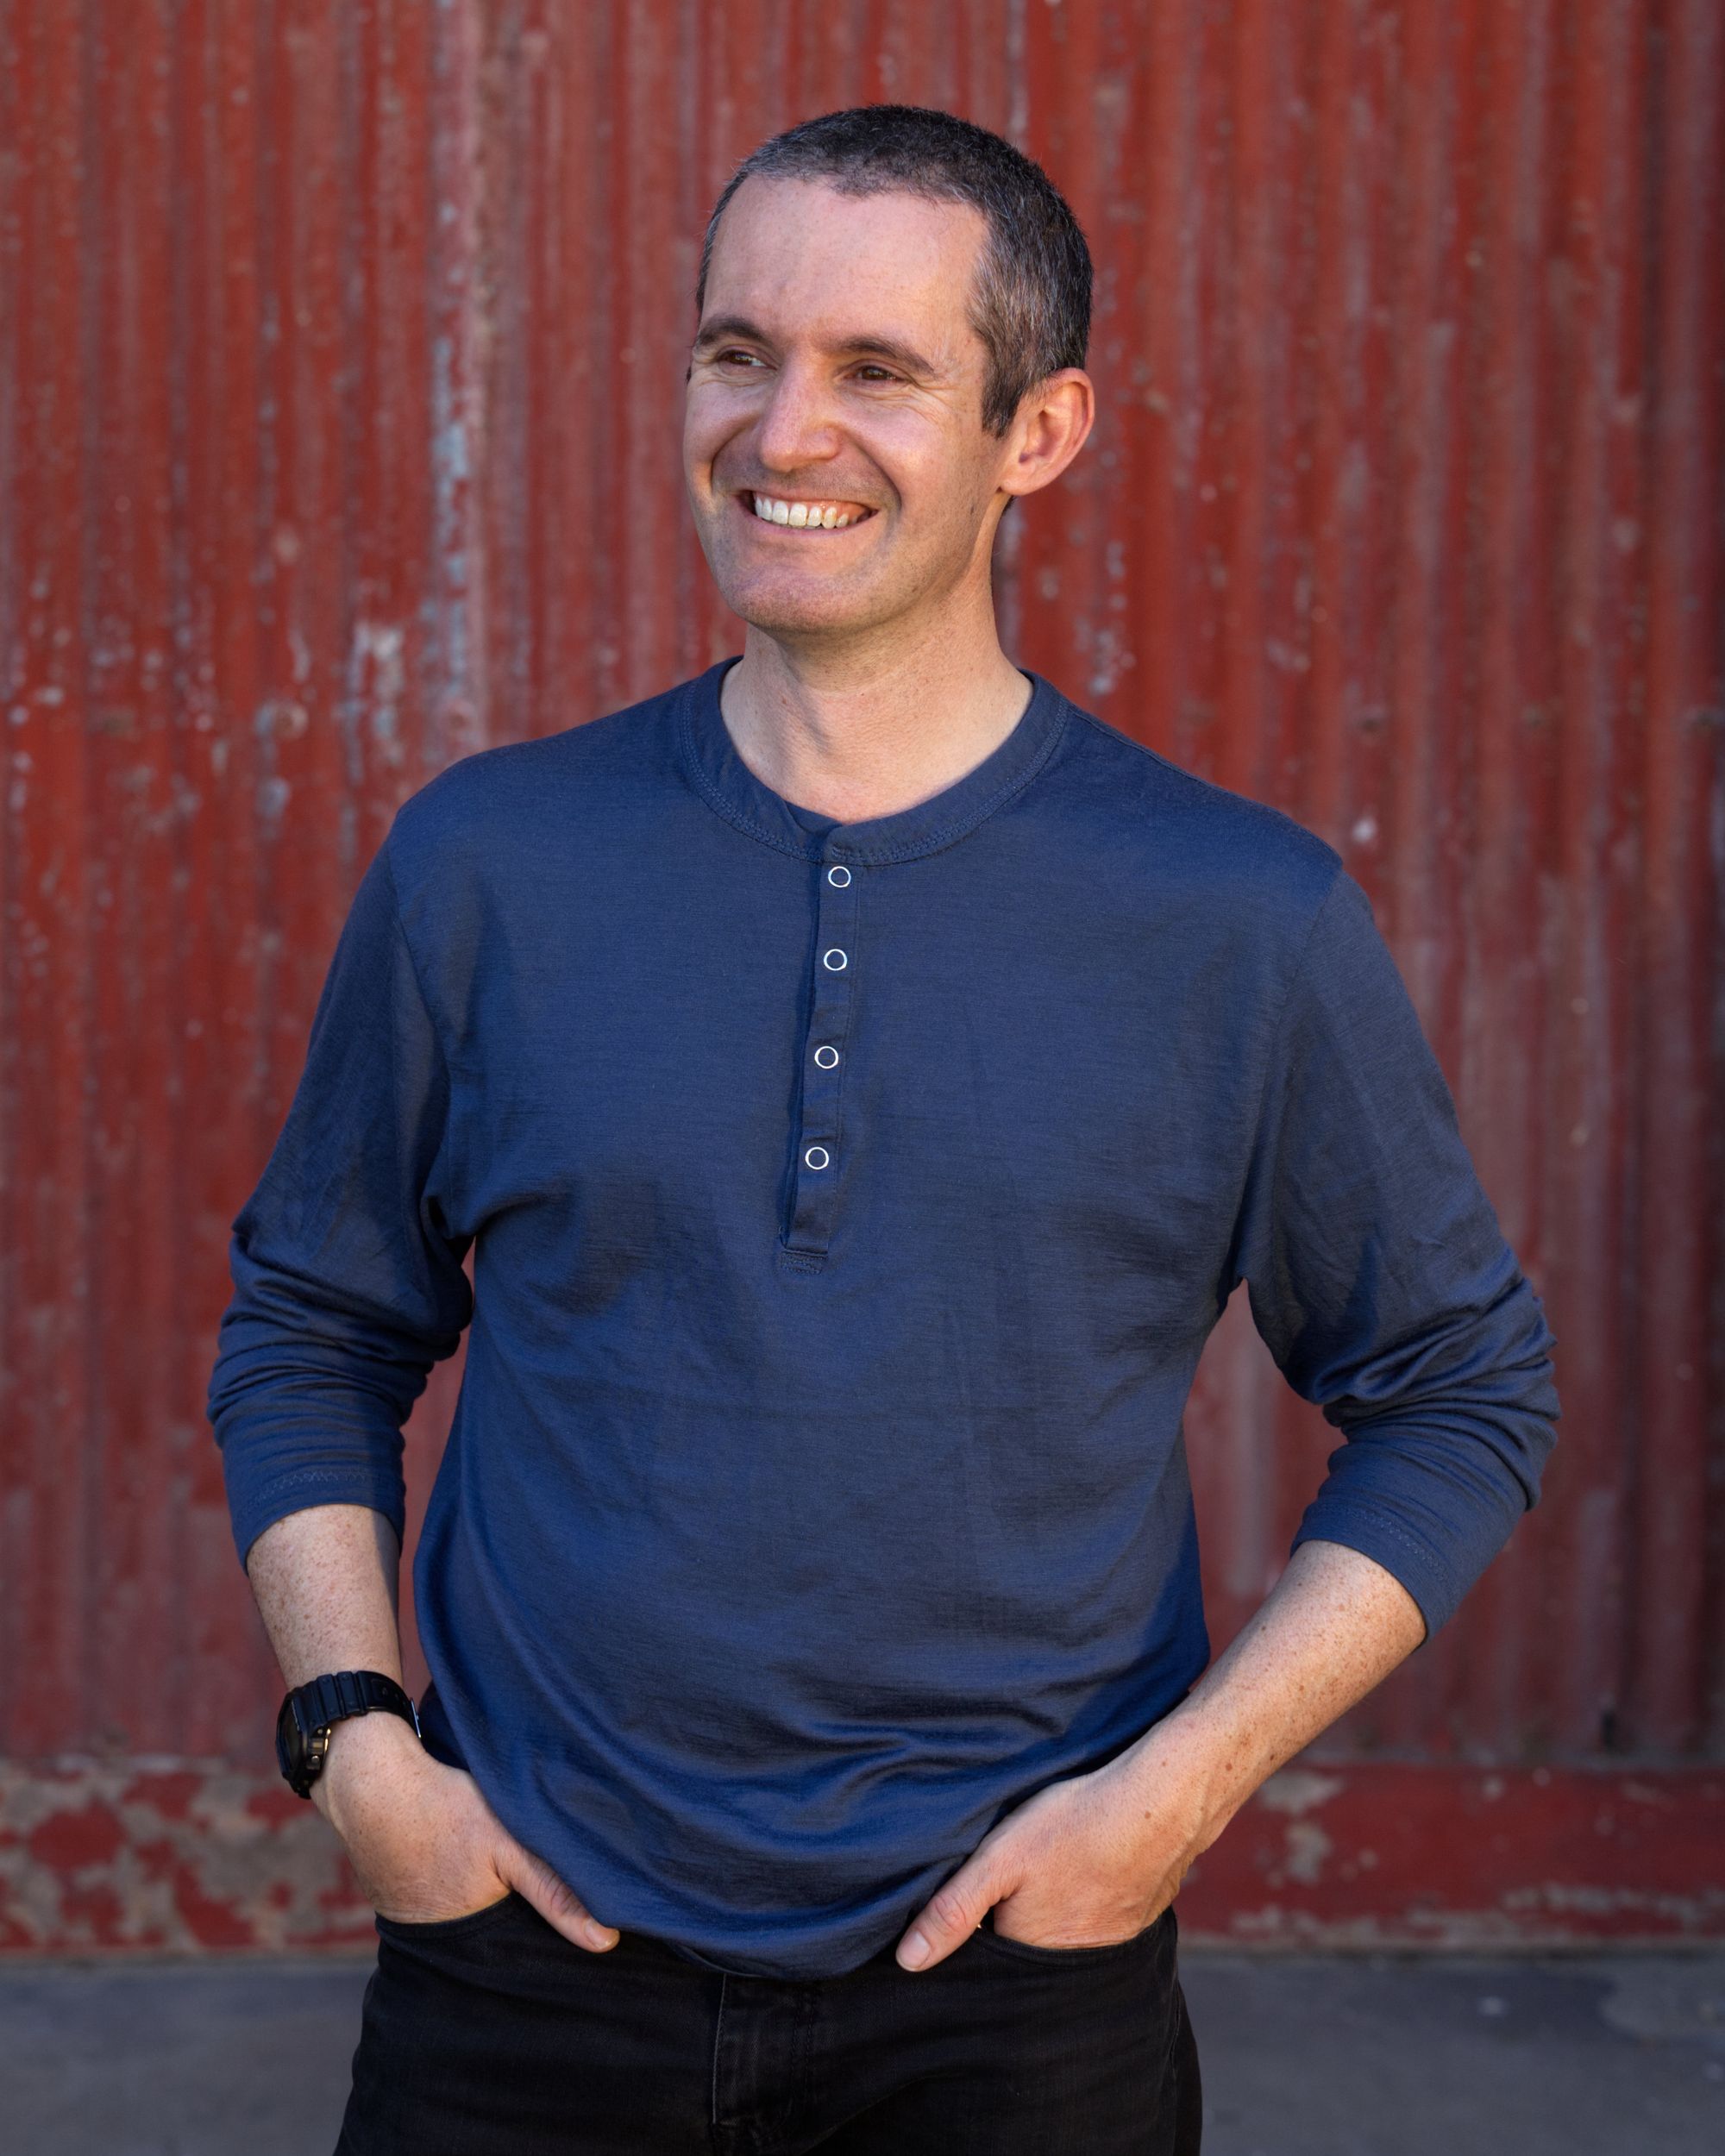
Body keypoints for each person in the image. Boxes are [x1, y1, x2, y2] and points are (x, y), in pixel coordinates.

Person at [206, 103, 1560, 2156]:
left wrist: (1165, 1803)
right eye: (737, 350)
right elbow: (311, 1319)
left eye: (877, 370)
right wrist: (358, 1744)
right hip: (519, 1974)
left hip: (1017, 2001)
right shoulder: (492, 861)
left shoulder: (1235, 917)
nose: (782, 430)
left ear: (1041, 429)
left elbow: (1461, 1384)